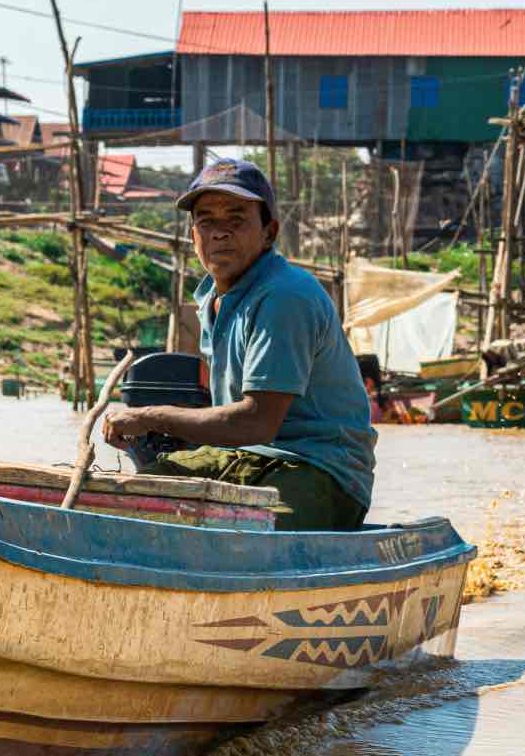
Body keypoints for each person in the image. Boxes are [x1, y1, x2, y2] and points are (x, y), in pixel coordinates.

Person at [102, 158, 376, 531]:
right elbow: (235, 426)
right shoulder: (213, 298)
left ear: (268, 232)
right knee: (129, 501)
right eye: (206, 220)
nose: (219, 232)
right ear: (193, 233)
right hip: (246, 457)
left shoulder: (284, 296)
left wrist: (151, 416)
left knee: (241, 531)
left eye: (236, 218)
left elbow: (256, 422)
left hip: (319, 471)